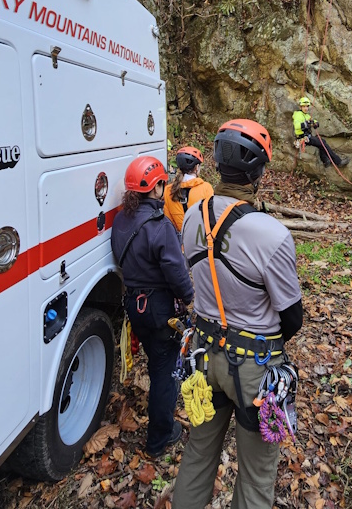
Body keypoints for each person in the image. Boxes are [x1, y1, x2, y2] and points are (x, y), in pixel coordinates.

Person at [173, 119, 304, 509]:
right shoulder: (272, 234)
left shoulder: (192, 216)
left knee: (197, 455)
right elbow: (292, 319)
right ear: (259, 172)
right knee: (257, 474)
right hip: (255, 369)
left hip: (203, 355)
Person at [111, 156, 194, 457]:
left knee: (157, 361)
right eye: (162, 184)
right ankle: (160, 438)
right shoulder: (159, 227)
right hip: (158, 309)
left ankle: (160, 429)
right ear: (157, 187)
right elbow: (175, 270)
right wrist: (190, 299)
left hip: (134, 305)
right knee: (164, 371)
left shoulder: (121, 219)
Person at [164, 146, 214, 234]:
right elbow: (210, 218)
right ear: (196, 167)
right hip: (199, 241)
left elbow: (168, 221)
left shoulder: (168, 190)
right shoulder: (206, 188)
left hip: (177, 242)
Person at [292, 96, 348, 168]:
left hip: (307, 137)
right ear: (300, 107)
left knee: (322, 141)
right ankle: (338, 162)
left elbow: (313, 121)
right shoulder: (298, 115)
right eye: (304, 106)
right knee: (322, 143)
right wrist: (307, 124)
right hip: (303, 138)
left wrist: (315, 123)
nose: (306, 108)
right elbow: (297, 126)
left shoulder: (307, 115)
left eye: (307, 106)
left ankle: (325, 161)